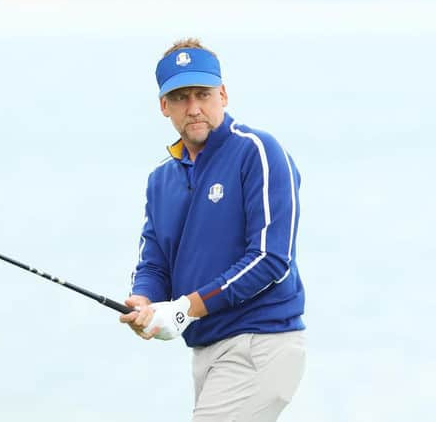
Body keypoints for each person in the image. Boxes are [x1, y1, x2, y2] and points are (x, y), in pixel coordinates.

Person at [119, 38, 306, 421]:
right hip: (207, 351)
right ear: (163, 106)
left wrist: (186, 308)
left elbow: (271, 259)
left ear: (222, 94)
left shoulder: (257, 151)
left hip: (260, 343)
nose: (194, 108)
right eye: (180, 97)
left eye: (203, 94)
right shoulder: (161, 180)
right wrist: (144, 301)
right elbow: (154, 263)